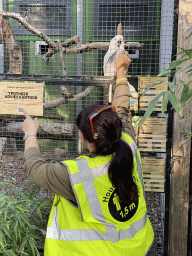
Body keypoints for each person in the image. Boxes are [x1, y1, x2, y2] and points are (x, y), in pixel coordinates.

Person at [22, 53, 154, 256]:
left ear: (85, 139)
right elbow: (123, 109)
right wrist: (121, 74)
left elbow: (35, 169)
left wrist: (30, 133)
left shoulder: (77, 175)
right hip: (135, 247)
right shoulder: (128, 143)